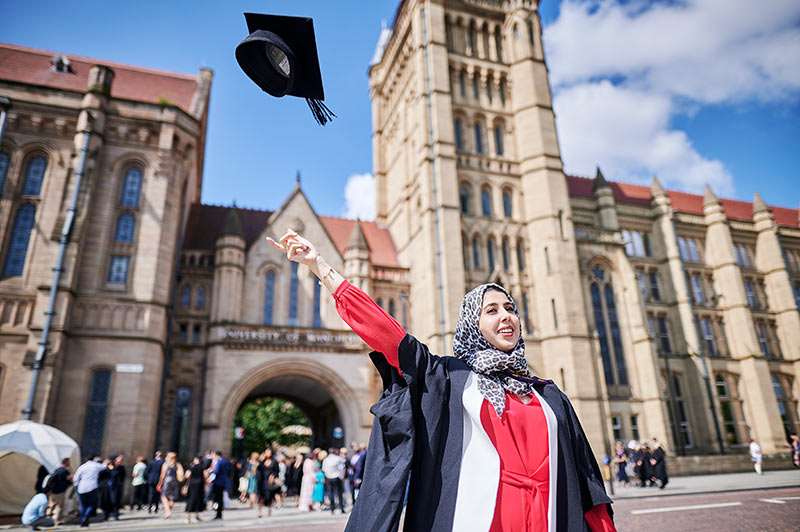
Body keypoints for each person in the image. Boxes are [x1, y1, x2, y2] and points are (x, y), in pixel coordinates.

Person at [268, 230, 616, 531]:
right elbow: (388, 335)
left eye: (511, 308)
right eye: (491, 310)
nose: (506, 316)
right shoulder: (449, 378)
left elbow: (588, 486)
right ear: (471, 324)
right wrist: (321, 268)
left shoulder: (549, 396)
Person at [72, 455, 108, 527]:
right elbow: (104, 466)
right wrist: (106, 462)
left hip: (81, 488)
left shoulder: (82, 467)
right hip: (92, 487)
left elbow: (75, 479)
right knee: (91, 505)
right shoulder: (95, 465)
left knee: (83, 506)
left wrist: (76, 487)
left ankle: (82, 522)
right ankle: (86, 517)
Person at [157, 452, 184, 519]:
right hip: (175, 481)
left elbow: (162, 475)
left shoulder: (166, 464)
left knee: (164, 496)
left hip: (167, 481)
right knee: (172, 497)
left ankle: (167, 512)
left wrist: (159, 484)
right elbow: (182, 473)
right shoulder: (178, 464)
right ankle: (170, 505)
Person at [48, 457, 72, 526]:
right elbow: (67, 481)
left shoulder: (57, 470)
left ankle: (48, 518)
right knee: (59, 506)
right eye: (68, 462)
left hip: (52, 491)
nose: (69, 463)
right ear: (66, 462)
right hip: (60, 491)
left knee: (51, 505)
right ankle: (57, 521)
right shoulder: (65, 471)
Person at [322, 447, 346, 514]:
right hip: (336, 477)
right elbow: (343, 465)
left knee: (331, 494)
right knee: (339, 493)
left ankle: (332, 509)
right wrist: (343, 477)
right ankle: (341, 508)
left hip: (328, 478)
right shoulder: (337, 458)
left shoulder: (325, 460)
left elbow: (323, 470)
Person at [257, 448, 280, 517]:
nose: (268, 453)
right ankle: (259, 511)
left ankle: (269, 509)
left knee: (269, 495)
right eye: (267, 452)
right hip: (262, 480)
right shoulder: (262, 462)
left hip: (270, 481)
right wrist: (260, 461)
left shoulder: (274, 461)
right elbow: (258, 469)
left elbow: (277, 471)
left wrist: (273, 475)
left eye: (269, 452)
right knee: (261, 496)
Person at [184, 454, 206, 523]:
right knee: (198, 500)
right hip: (200, 485)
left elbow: (187, 475)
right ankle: (196, 517)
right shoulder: (202, 467)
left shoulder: (192, 466)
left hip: (192, 484)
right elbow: (205, 476)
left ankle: (188, 518)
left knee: (191, 499)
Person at [209, 450, 231, 520]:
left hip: (218, 482)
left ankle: (218, 514)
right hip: (223, 481)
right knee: (220, 498)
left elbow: (216, 471)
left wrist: (210, 475)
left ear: (217, 455)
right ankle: (219, 513)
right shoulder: (225, 461)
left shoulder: (219, 462)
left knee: (217, 498)